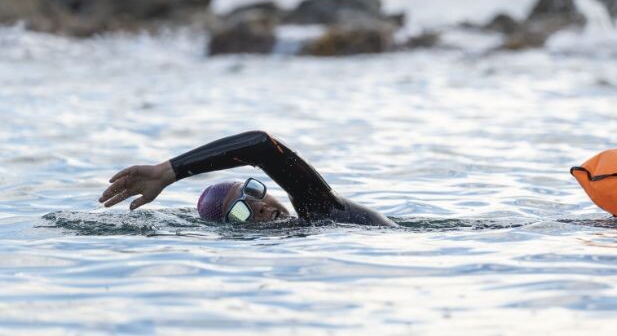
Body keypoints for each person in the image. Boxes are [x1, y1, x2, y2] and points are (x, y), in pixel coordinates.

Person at [99, 131, 395, 226]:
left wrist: (167, 171)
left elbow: (261, 146)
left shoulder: (323, 208)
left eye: (254, 194)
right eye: (241, 212)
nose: (262, 208)